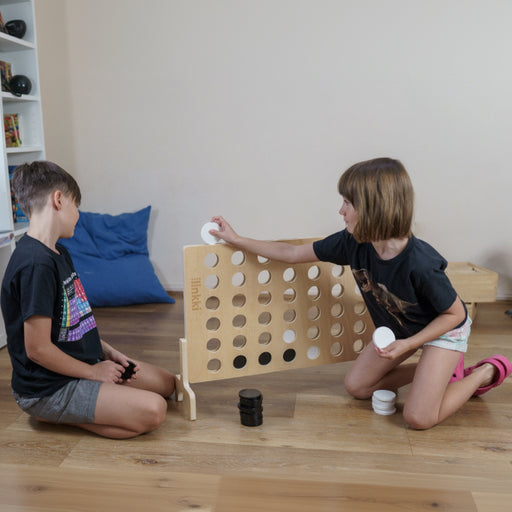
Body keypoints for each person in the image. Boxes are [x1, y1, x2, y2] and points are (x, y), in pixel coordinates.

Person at [210, 157, 511, 430]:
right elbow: (290, 253)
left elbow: (456, 314)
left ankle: (482, 373)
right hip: (399, 329)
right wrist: (236, 239)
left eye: (347, 203)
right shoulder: (352, 242)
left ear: (373, 208)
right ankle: (437, 372)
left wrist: (411, 343)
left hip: (443, 331)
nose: (340, 211)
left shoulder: (420, 262)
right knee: (358, 388)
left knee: (418, 418)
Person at [1, 161, 176, 439]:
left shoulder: (59, 253)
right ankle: (50, 413)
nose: (78, 215)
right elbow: (37, 350)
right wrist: (93, 373)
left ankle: (95, 402)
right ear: (58, 200)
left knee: (167, 384)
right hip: (47, 388)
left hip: (85, 365)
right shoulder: (35, 265)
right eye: (76, 205)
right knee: (154, 410)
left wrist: (108, 353)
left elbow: (75, 323)